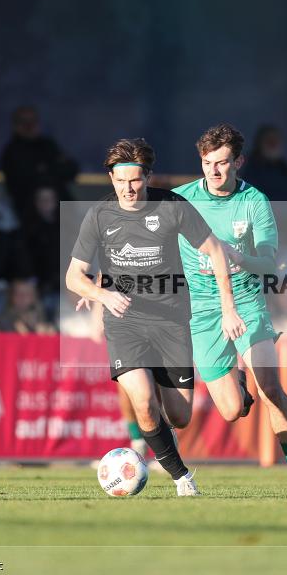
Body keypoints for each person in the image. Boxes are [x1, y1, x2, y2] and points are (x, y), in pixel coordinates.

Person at [66, 138, 243, 496]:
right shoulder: (99, 215)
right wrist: (101, 295)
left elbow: (215, 251)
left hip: (172, 321)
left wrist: (228, 308)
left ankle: (225, 392)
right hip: (125, 322)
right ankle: (182, 479)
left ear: (148, 176)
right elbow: (73, 276)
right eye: (119, 181)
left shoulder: (173, 206)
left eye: (134, 180)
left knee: (179, 416)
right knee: (144, 403)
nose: (127, 189)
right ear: (111, 178)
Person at [173, 124, 287, 494]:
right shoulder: (180, 200)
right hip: (203, 310)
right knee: (230, 410)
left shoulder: (255, 201)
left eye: (222, 163)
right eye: (207, 163)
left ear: (239, 161)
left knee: (270, 385)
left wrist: (240, 256)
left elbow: (270, 264)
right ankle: (238, 383)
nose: (214, 170)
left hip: (245, 302)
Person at [0, 105, 78, 216]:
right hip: (28, 214)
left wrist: (45, 170)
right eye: (24, 122)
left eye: (33, 121)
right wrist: (52, 169)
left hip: (62, 212)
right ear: (15, 125)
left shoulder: (48, 145)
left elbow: (72, 170)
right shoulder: (11, 152)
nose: (30, 126)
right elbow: (23, 181)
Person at [239, 125, 287, 201]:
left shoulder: (286, 170)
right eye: (269, 141)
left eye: (276, 141)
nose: (273, 145)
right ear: (260, 144)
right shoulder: (250, 171)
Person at [23, 186, 62, 293]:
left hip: (63, 280)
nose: (45, 203)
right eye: (42, 199)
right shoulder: (27, 228)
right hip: (37, 281)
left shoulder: (67, 225)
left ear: (55, 201)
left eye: (49, 199)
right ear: (36, 202)